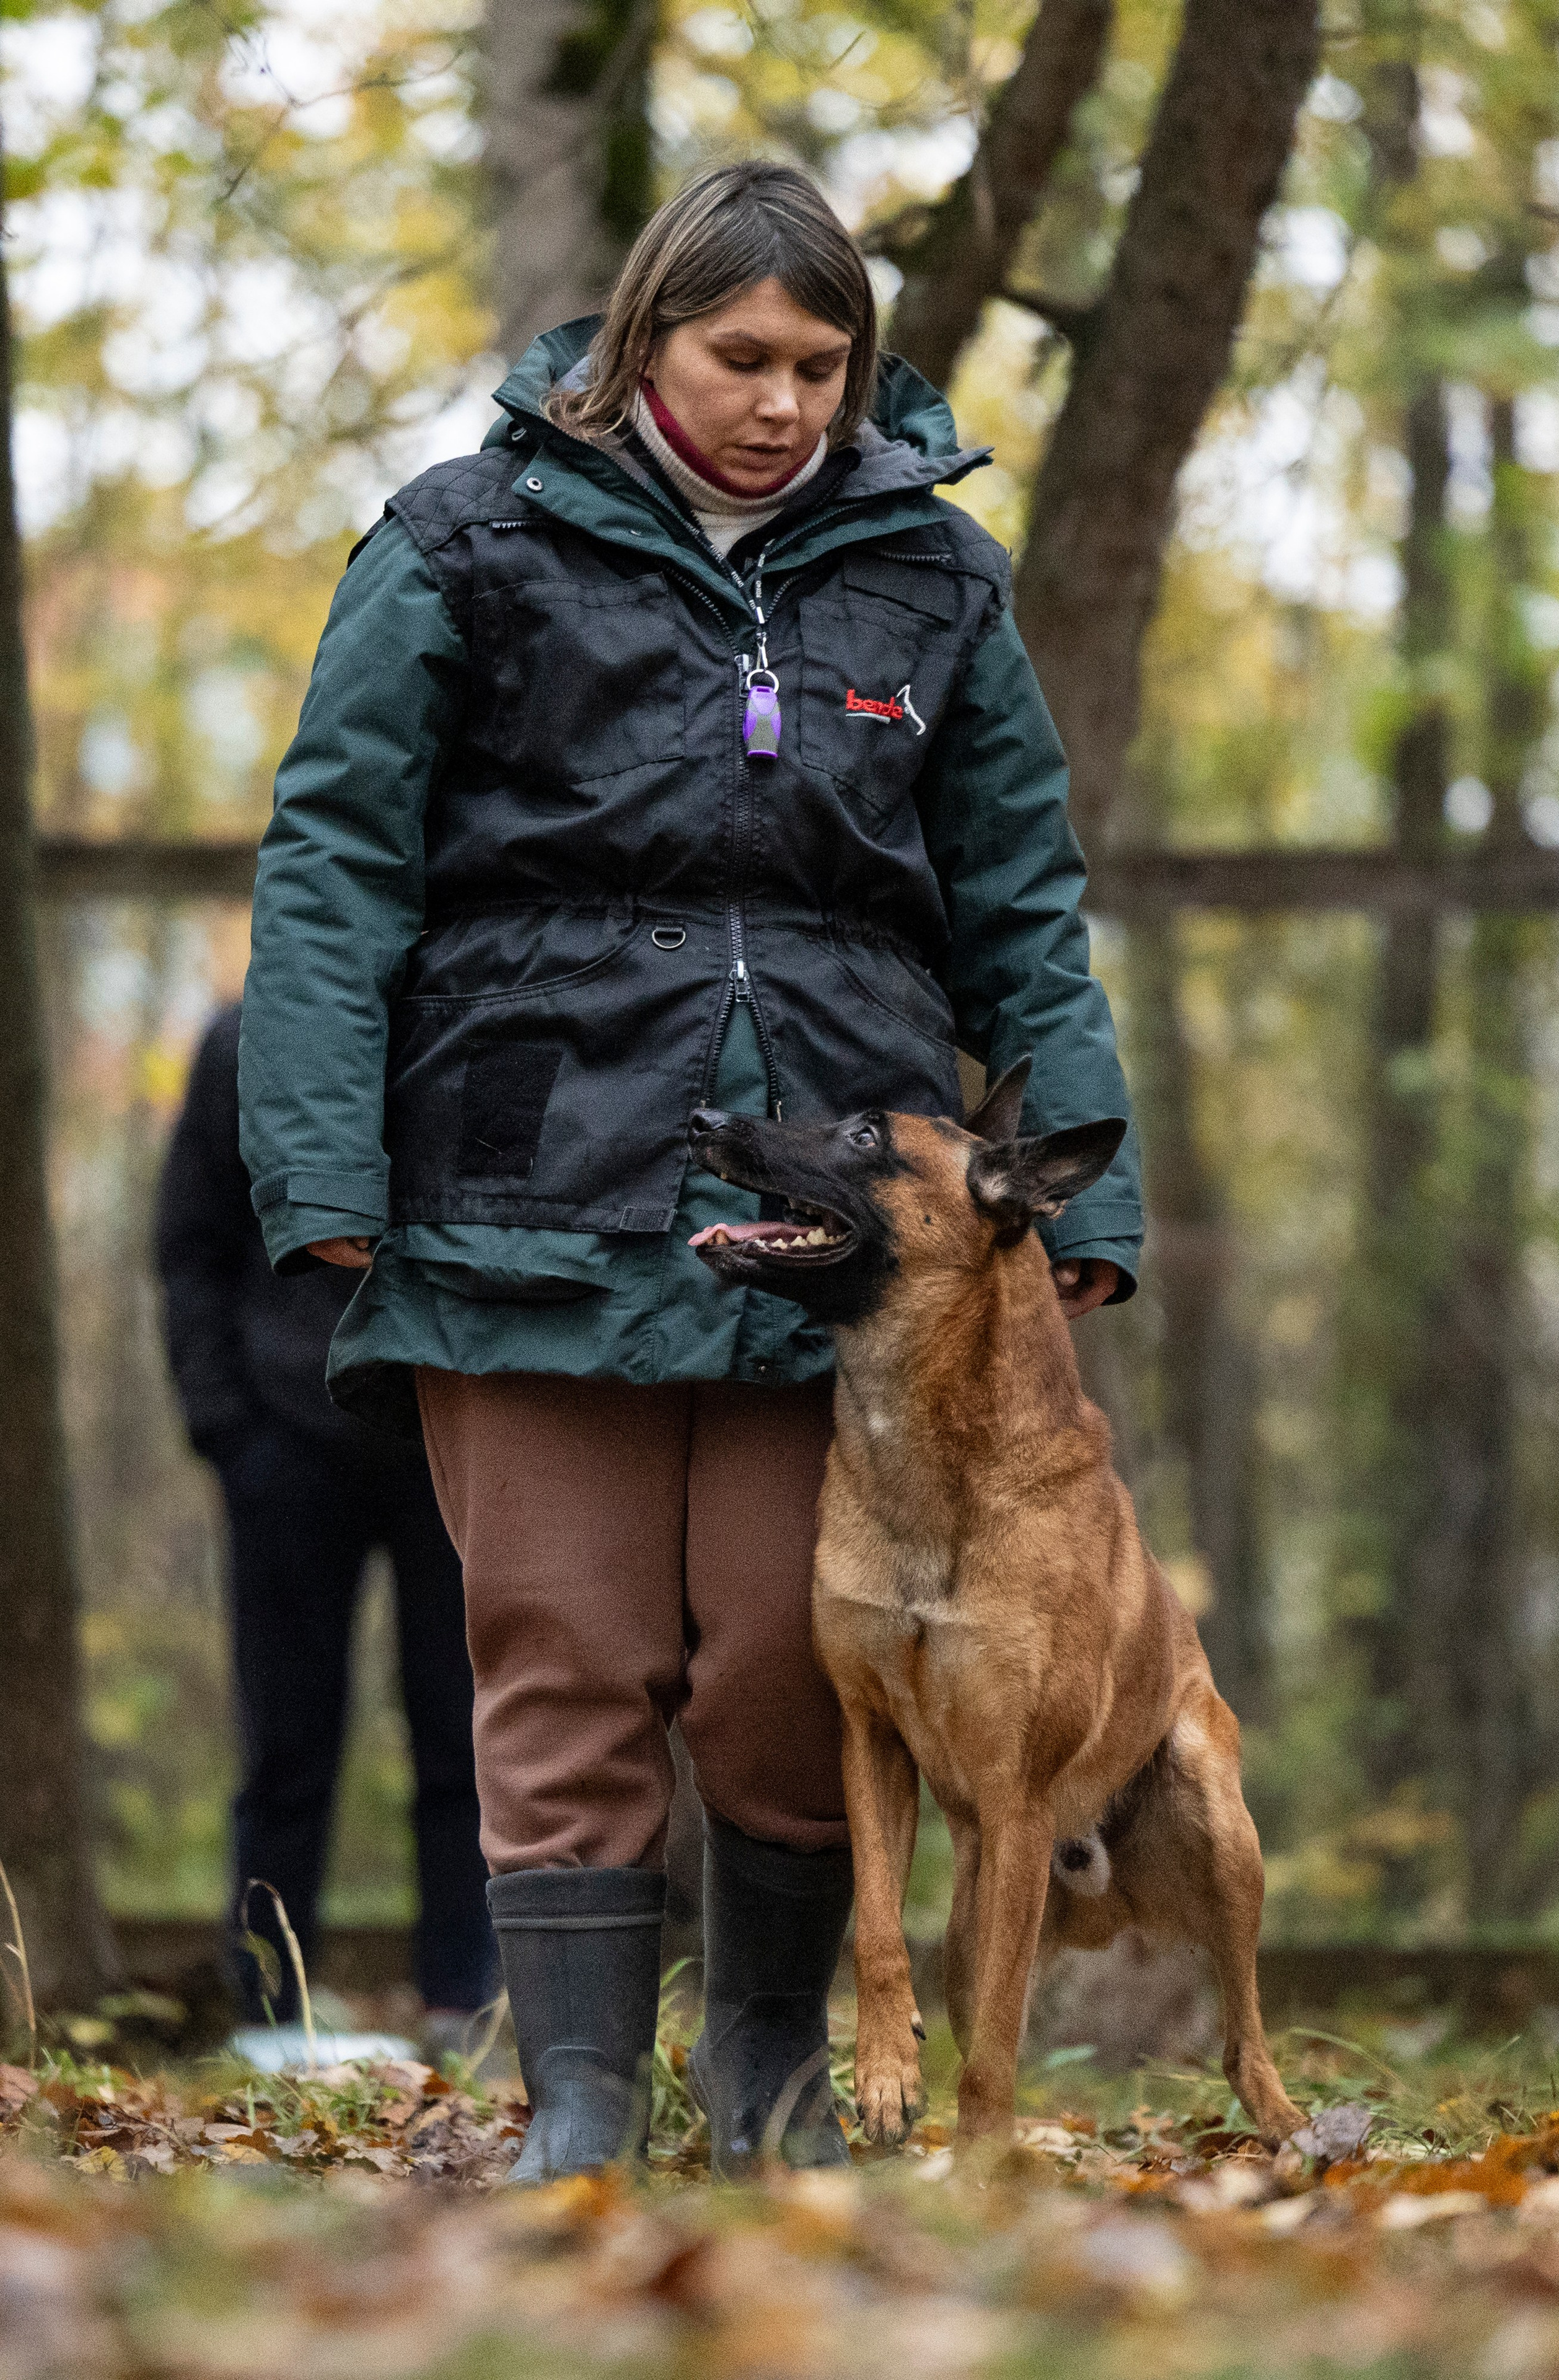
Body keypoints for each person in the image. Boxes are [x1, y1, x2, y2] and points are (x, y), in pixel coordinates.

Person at [237, 162, 1143, 2180]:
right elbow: (334, 867)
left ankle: (769, 2067)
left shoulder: (938, 581)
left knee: (783, 1664)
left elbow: (1024, 901)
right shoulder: (461, 542)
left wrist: (1086, 1191)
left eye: (823, 365)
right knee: (562, 1648)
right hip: (518, 1179)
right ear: (647, 338)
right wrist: (318, 1161)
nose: (783, 402)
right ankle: (578, 2098)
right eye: (743, 356)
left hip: (839, 1219)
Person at [156, 1004, 496, 2047]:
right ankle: (269, 2011)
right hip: (286, 1448)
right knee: (286, 1743)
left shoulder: (469, 1018)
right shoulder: (245, 1040)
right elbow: (189, 1246)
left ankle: (464, 2005)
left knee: (466, 1734)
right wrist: (227, 1428)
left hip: (445, 1436)